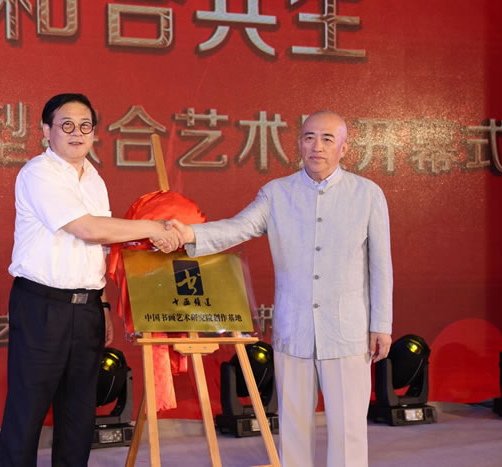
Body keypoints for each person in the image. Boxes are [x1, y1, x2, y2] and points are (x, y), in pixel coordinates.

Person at [167, 111, 393, 467]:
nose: (317, 146)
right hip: (294, 328)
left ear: (344, 148)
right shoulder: (276, 193)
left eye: (327, 139)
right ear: (299, 142)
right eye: (309, 137)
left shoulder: (367, 194)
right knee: (293, 426)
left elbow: (380, 265)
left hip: (347, 330)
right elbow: (239, 227)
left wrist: (381, 324)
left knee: (349, 429)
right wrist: (189, 234)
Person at [0, 93, 180, 467]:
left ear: (94, 133)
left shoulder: (94, 178)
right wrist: (154, 227)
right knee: (27, 411)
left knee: (79, 412)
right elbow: (88, 229)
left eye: (85, 126)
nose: (76, 133)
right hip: (42, 306)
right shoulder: (38, 173)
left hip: (87, 309)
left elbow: (99, 247)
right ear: (46, 130)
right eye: (66, 125)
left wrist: (103, 304)